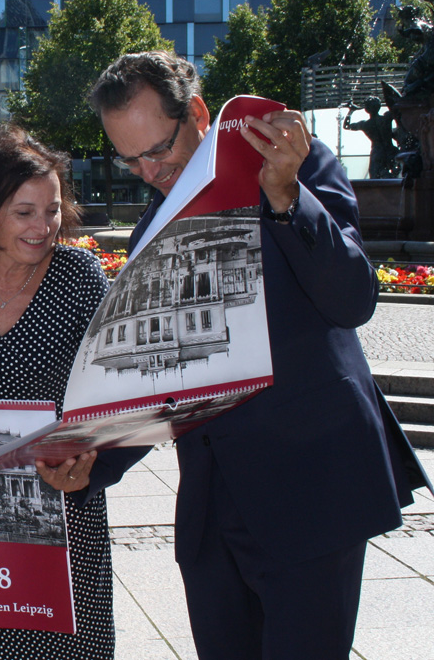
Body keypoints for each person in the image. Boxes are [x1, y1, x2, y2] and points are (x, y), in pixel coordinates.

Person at [88, 50, 432, 660]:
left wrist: (286, 199)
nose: (149, 172)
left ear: (198, 114)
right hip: (213, 509)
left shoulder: (295, 164)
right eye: (130, 158)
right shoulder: (151, 229)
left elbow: (352, 299)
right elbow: (159, 374)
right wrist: (90, 462)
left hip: (312, 488)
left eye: (159, 149)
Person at [0, 122, 142, 660]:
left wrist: (92, 457)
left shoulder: (79, 275)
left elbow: (115, 377)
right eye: (25, 212)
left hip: (64, 492)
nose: (44, 227)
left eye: (53, 210)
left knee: (75, 644)